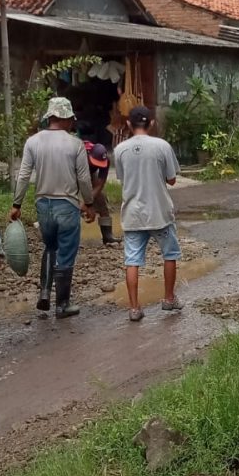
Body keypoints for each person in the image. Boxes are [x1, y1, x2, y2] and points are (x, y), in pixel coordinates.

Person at [10, 96, 95, 319]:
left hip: (43, 205)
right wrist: (89, 204)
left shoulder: (33, 142)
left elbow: (24, 175)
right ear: (66, 118)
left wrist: (16, 204)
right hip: (66, 205)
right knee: (66, 253)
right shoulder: (75, 144)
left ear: (50, 117)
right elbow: (84, 180)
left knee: (50, 247)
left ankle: (45, 292)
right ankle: (62, 304)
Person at [114, 106, 182, 323]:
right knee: (169, 254)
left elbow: (123, 180)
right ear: (152, 123)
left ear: (128, 124)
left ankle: (134, 308)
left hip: (133, 213)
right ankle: (169, 299)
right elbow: (172, 179)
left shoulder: (120, 150)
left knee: (132, 260)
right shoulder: (162, 146)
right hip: (159, 211)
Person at [84, 142, 118, 246]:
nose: (96, 165)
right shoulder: (79, 153)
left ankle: (107, 236)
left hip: (90, 173)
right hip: (72, 172)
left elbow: (99, 184)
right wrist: (84, 204)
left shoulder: (105, 161)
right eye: (94, 162)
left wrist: (88, 201)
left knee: (101, 201)